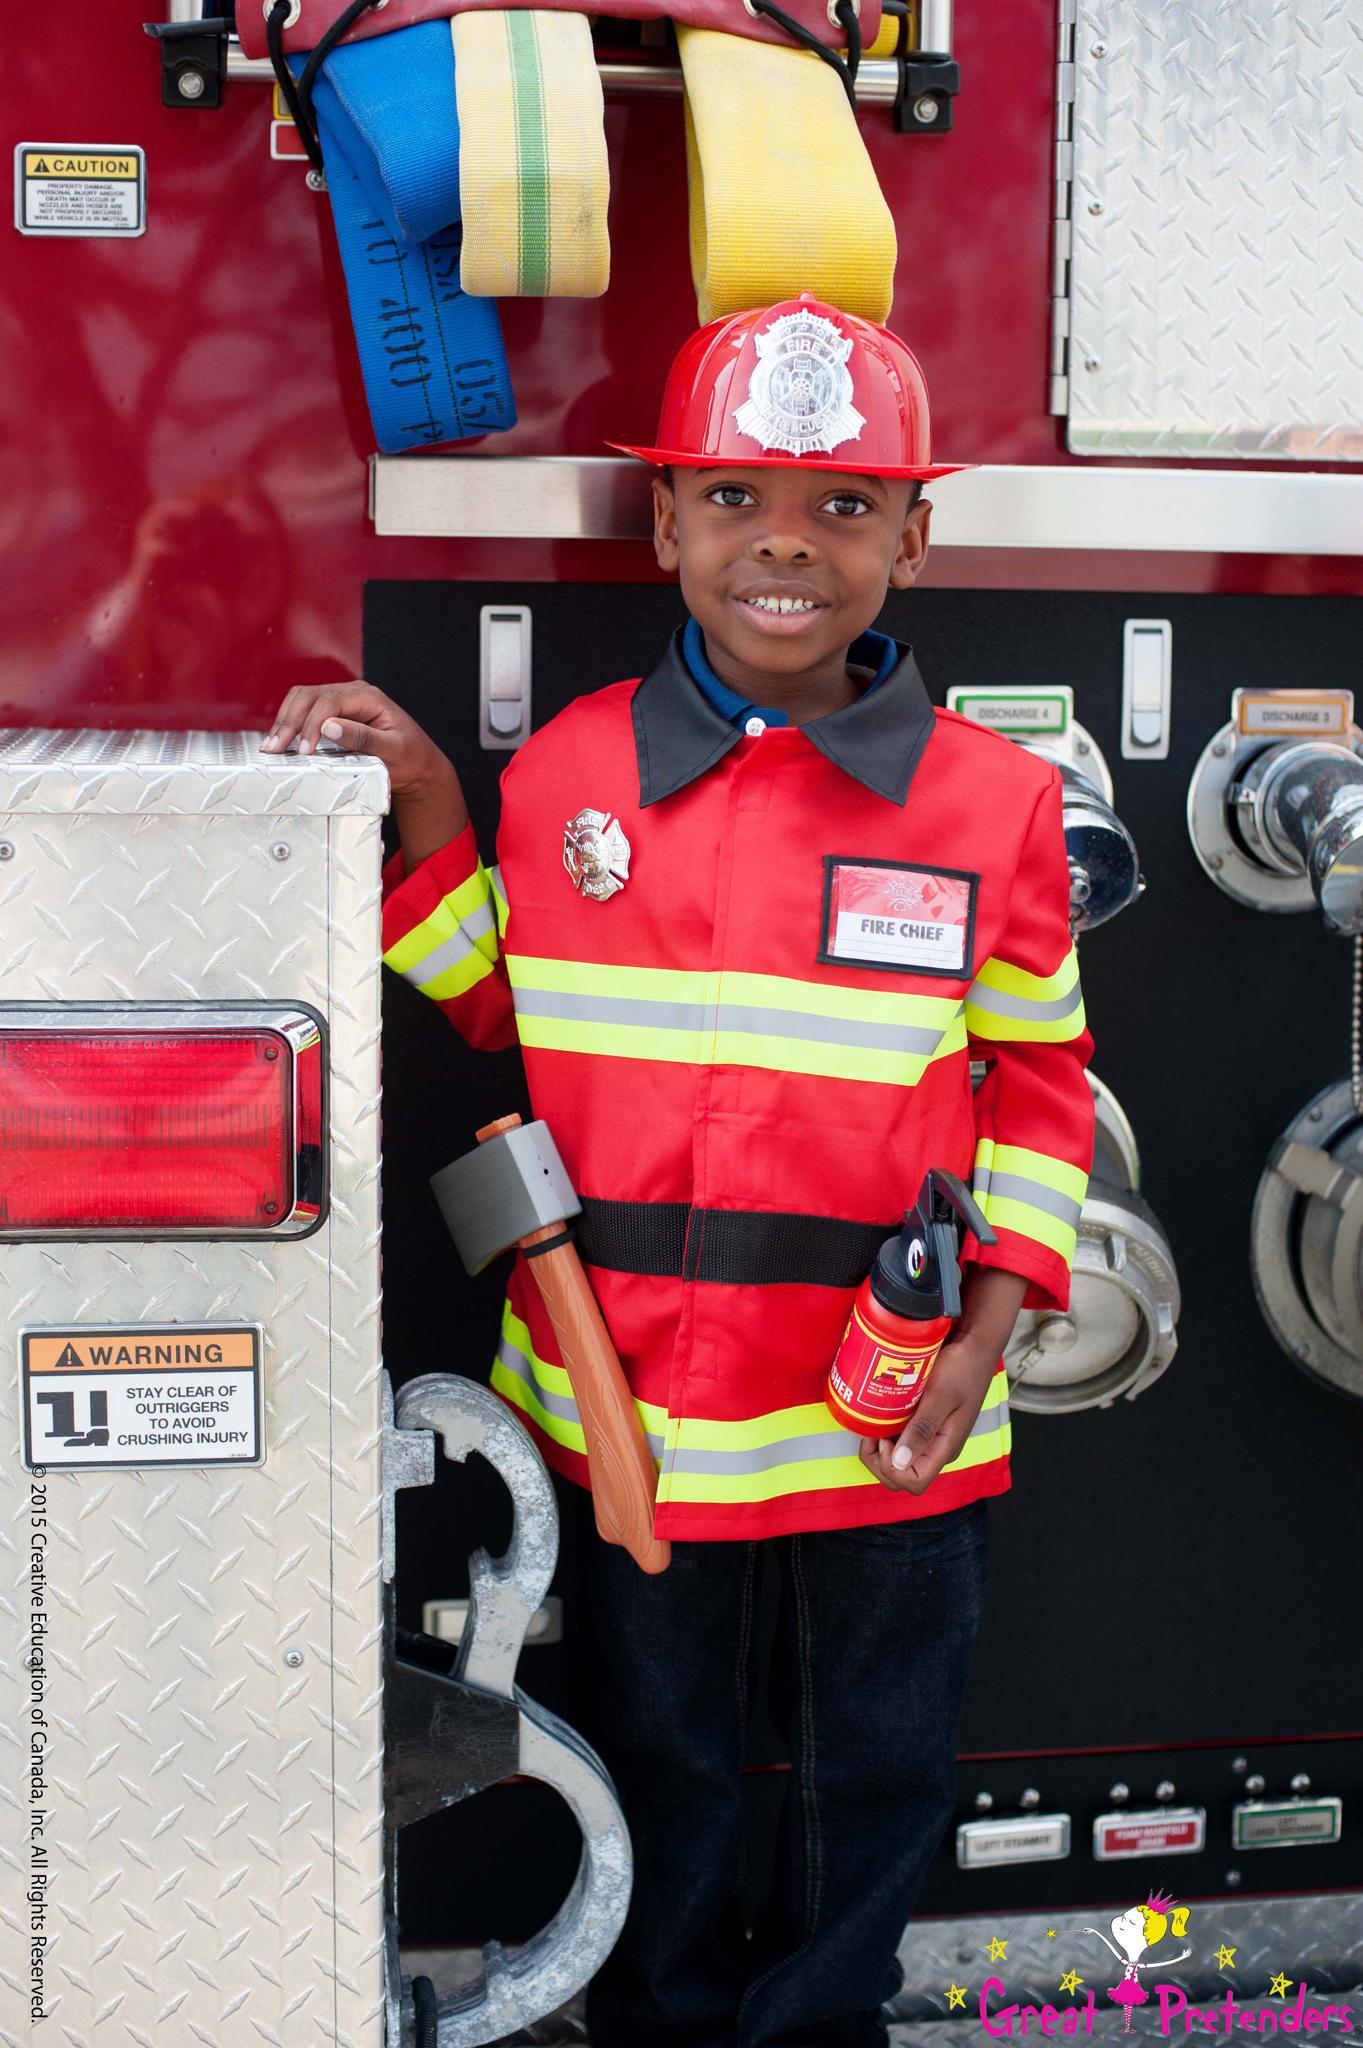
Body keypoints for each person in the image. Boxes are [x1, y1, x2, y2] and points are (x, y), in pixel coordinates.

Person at [262, 294, 1095, 2048]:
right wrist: (426, 800)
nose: (784, 544)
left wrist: (994, 1320)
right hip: (627, 1396)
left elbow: (1041, 1080)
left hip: (892, 1413)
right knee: (665, 1759)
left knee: (873, 1764)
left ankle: (820, 2023)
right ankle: (660, 2020)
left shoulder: (997, 808)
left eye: (846, 507)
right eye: (732, 499)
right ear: (663, 523)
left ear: (916, 539)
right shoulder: (567, 773)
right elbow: (502, 999)